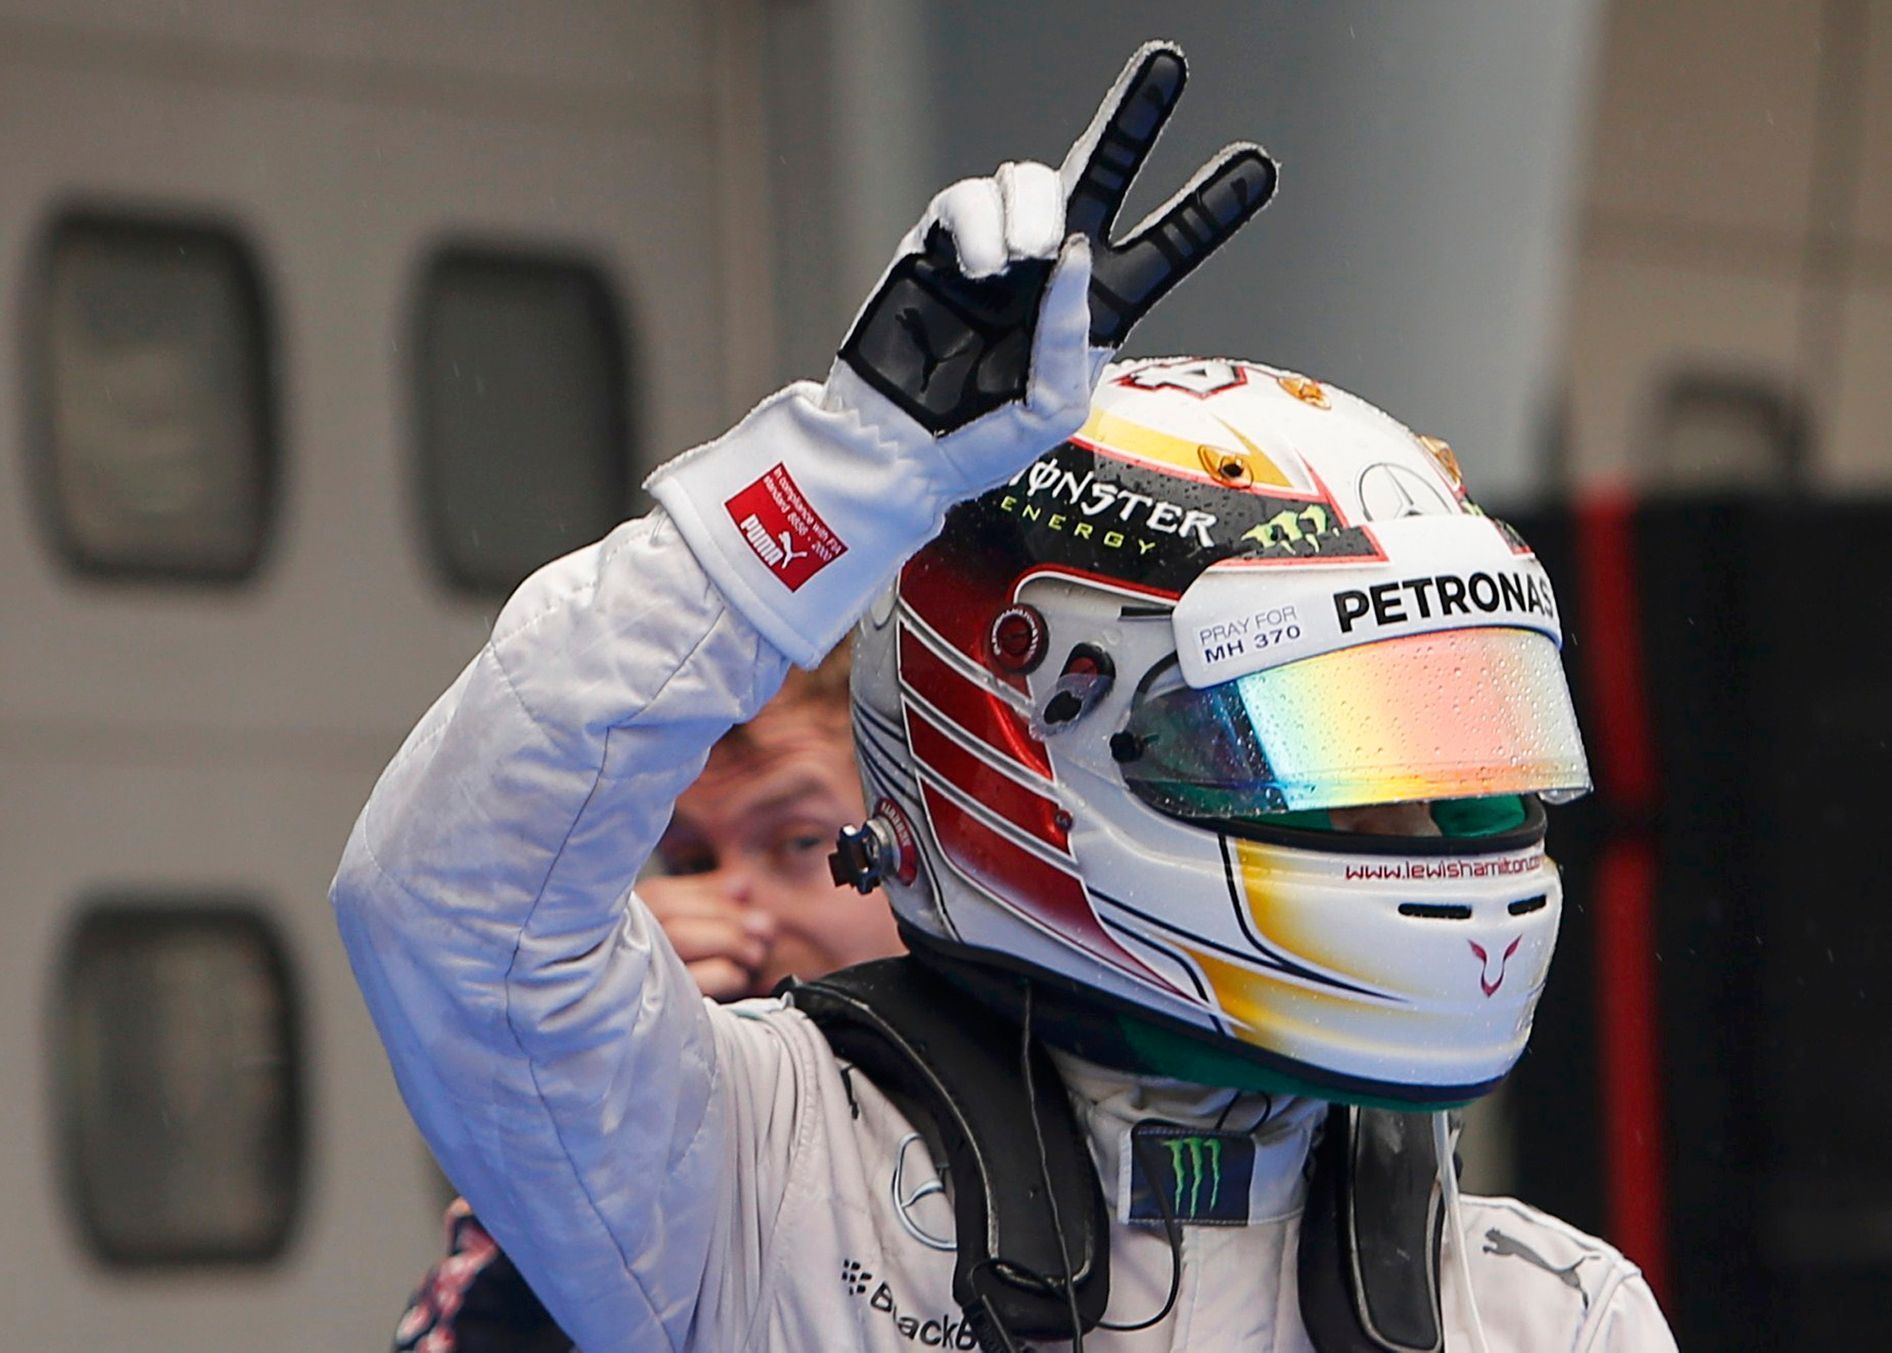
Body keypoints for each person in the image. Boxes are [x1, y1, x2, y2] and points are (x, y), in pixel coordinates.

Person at [335, 41, 1678, 1351]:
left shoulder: (1550, 1313)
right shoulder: (755, 1182)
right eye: (1350, 759)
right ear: (1050, 731)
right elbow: (450, 901)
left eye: (1465, 764)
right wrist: (844, 469)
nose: (1439, 839)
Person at [391, 650, 895, 1352]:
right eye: (691, 862)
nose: (725, 901)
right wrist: (592, 1085)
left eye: (799, 842)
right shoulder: (637, 1125)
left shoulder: (1049, 1074)